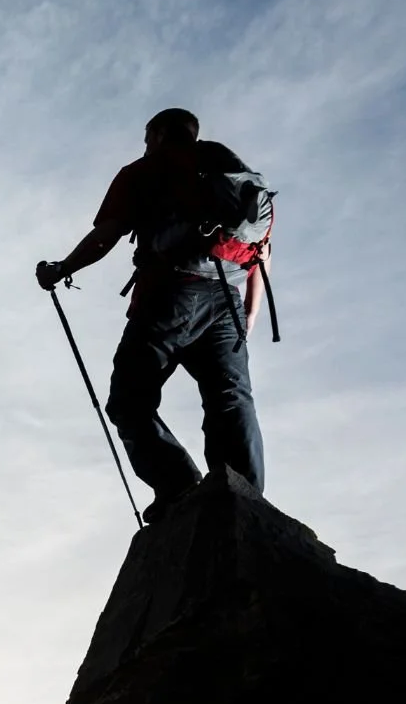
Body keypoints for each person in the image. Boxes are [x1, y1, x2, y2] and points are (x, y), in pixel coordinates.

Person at [35, 108, 264, 521]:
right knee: (231, 400)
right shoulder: (234, 172)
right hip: (228, 299)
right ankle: (244, 494)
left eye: (146, 138)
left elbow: (106, 236)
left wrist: (62, 269)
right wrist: (248, 314)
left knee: (129, 399)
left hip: (170, 295)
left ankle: (178, 487)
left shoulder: (146, 170)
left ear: (158, 134)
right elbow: (262, 252)